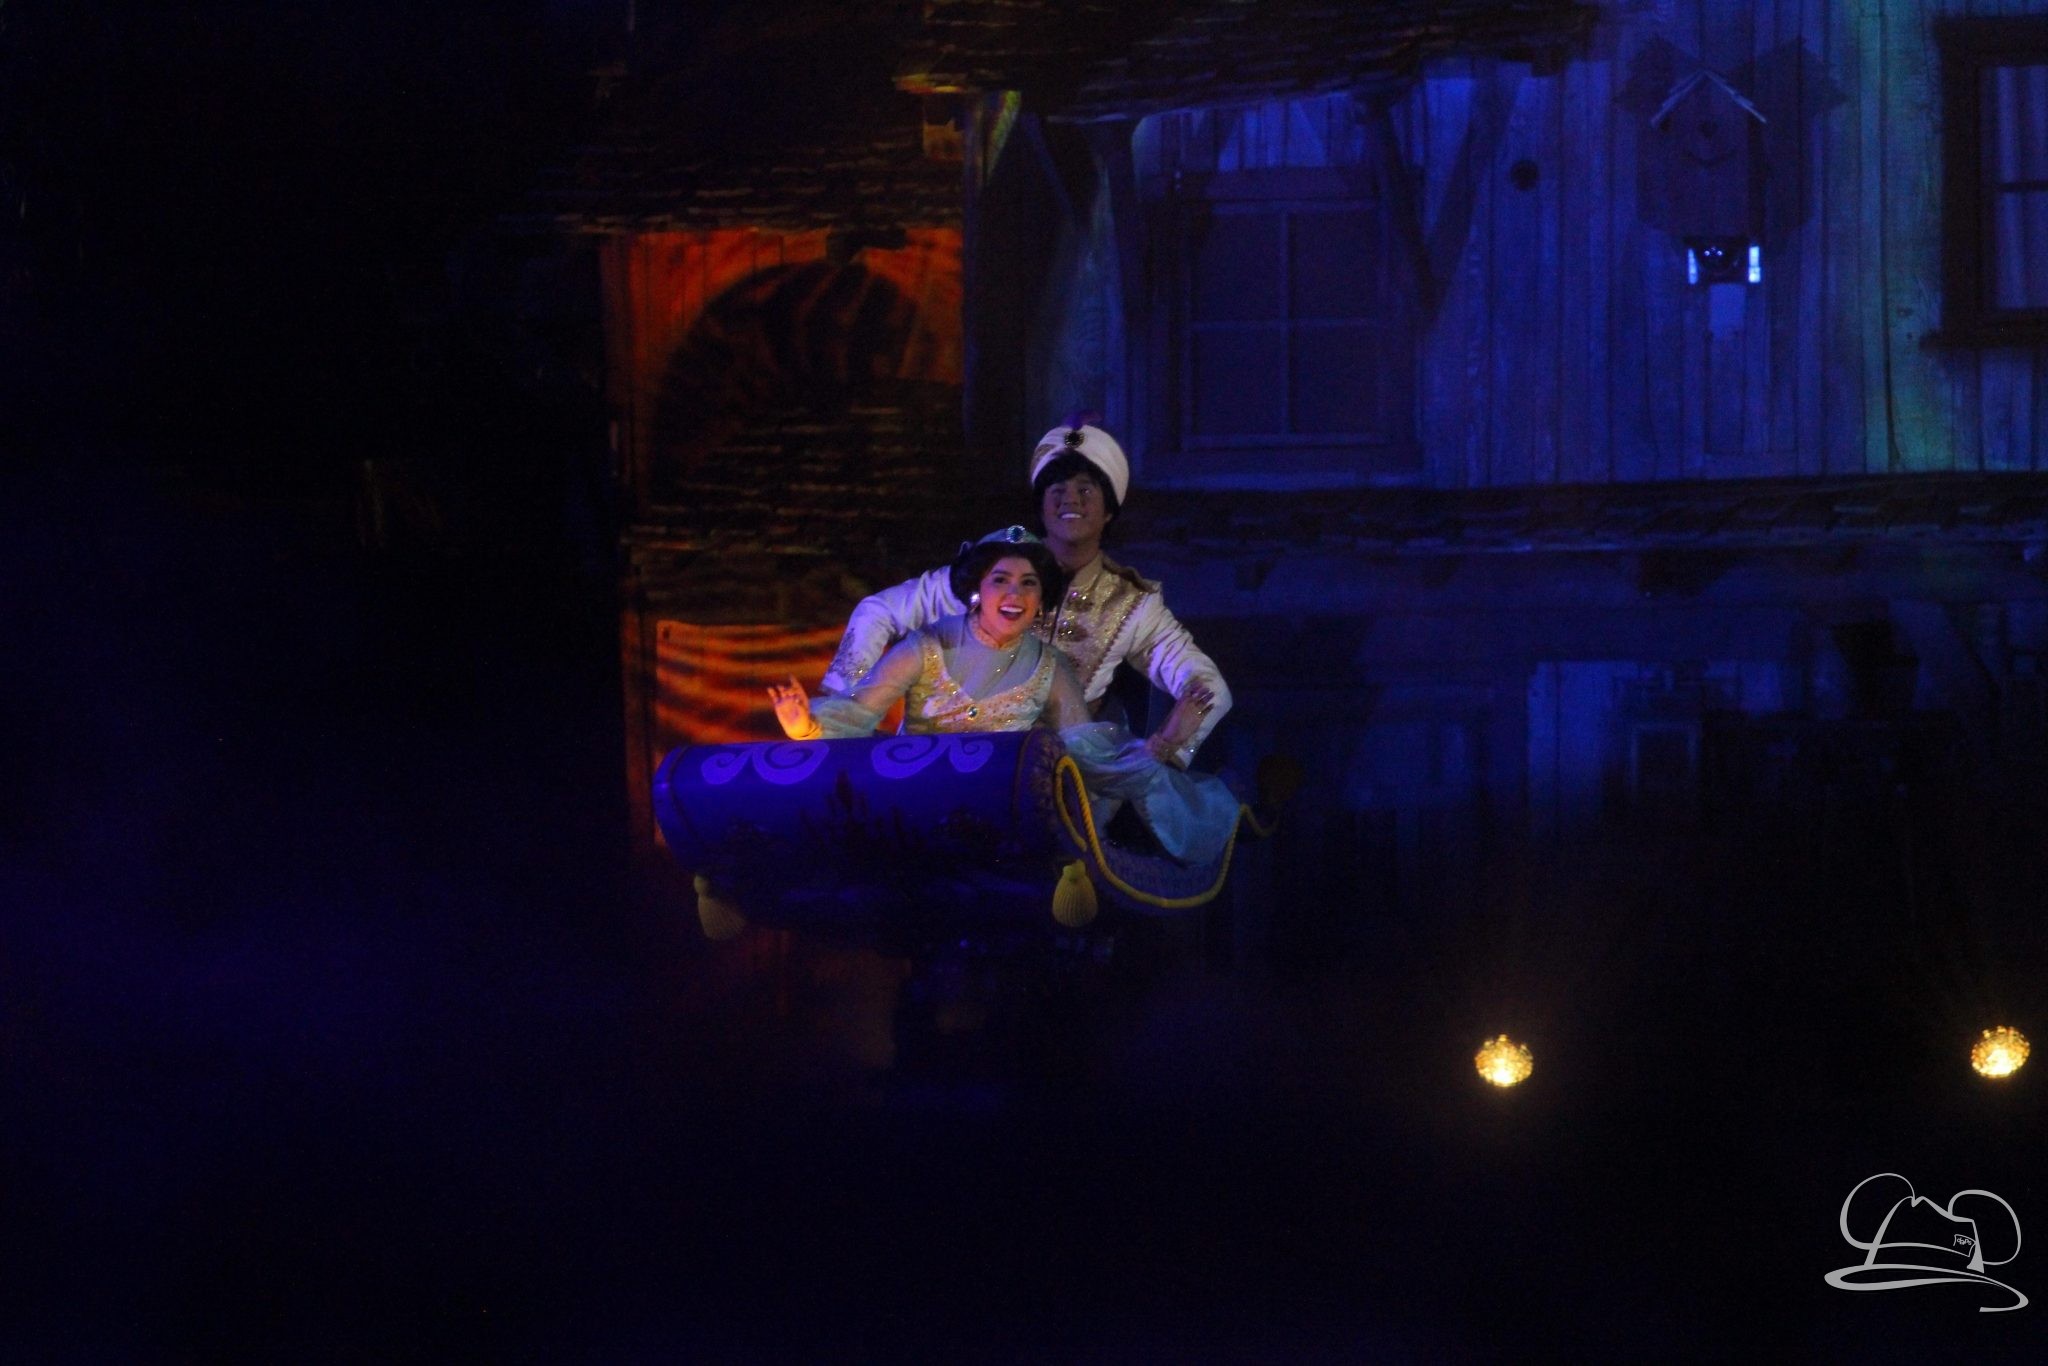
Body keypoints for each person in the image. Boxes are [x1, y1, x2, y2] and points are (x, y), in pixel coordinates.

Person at [770, 527, 1238, 864]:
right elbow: (860, 711)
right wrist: (807, 726)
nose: (1015, 594)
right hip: (915, 814)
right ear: (977, 590)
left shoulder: (1050, 666)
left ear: (1039, 600)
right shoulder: (928, 645)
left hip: (1000, 830)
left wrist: (1162, 744)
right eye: (1001, 580)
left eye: (1028, 583)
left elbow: (1091, 759)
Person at [819, 424, 1230, 768]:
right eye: (1056, 489)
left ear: (1109, 511)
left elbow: (1208, 687)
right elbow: (877, 611)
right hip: (938, 766)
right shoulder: (988, 571)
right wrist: (843, 708)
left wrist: (1171, 747)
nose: (1069, 499)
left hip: (1064, 780)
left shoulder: (1133, 605)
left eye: (1086, 490)